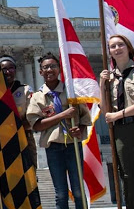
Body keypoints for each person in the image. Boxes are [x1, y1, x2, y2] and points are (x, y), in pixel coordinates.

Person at [26, 52, 91, 209]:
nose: (50, 70)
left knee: (78, 190)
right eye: (46, 67)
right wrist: (63, 114)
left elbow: (85, 118)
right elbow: (37, 125)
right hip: (53, 146)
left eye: (53, 66)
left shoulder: (71, 92)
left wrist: (80, 130)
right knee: (60, 192)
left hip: (73, 144)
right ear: (40, 71)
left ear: (59, 69)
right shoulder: (37, 97)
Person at [100, 34, 134, 208]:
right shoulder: (110, 78)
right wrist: (102, 84)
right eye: (113, 46)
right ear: (109, 52)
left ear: (128, 48)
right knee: (129, 176)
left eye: (120, 45)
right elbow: (105, 111)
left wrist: (118, 115)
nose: (117, 49)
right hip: (121, 132)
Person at [0, 55, 37, 169]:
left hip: (23, 137)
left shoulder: (25, 90)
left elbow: (32, 115)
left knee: (28, 172)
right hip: (2, 138)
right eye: (3, 69)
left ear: (15, 70)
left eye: (11, 68)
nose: (7, 72)